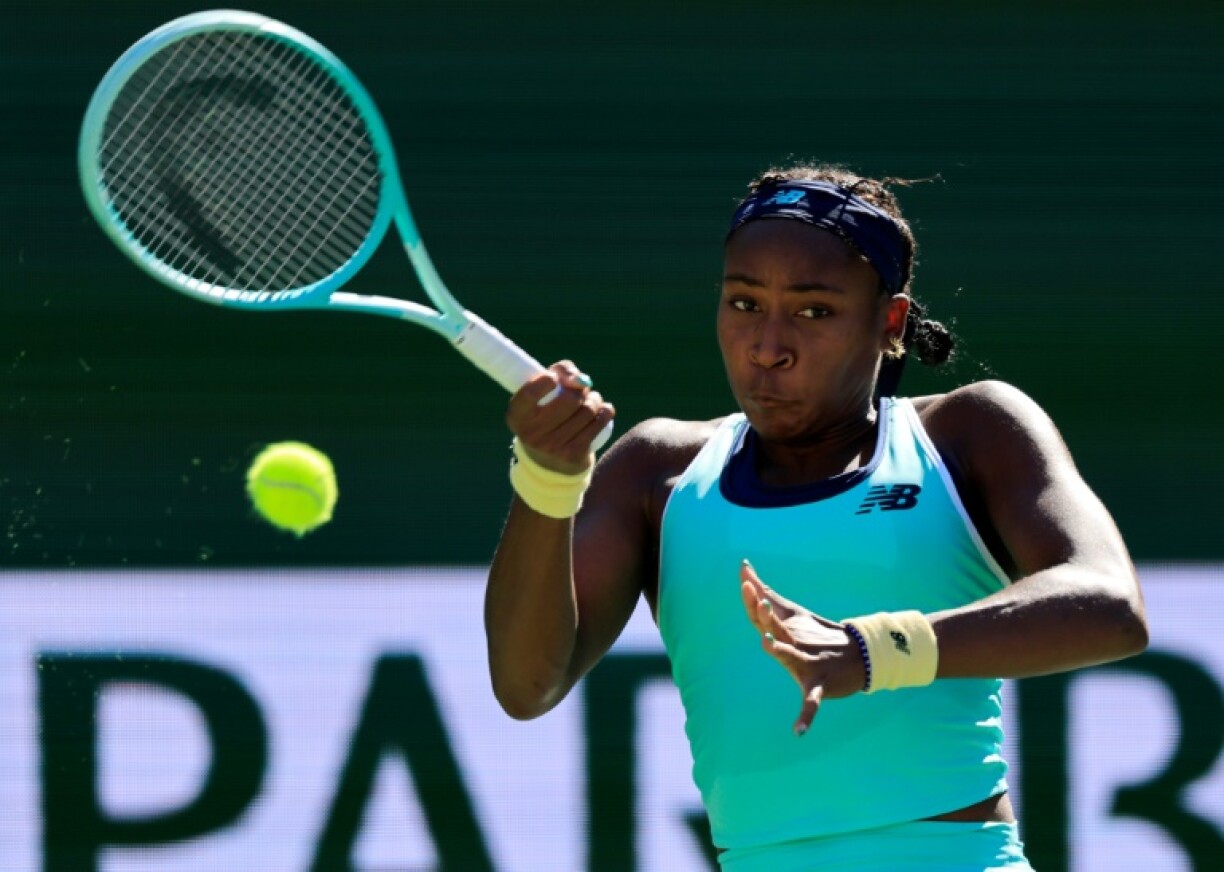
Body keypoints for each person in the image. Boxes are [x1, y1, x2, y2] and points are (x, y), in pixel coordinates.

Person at [484, 163, 1148, 871]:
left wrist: (872, 652)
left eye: (813, 311)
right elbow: (527, 685)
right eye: (743, 304)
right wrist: (547, 483)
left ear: (890, 322)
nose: (768, 347)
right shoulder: (657, 472)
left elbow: (1109, 604)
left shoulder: (972, 432)